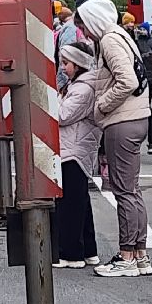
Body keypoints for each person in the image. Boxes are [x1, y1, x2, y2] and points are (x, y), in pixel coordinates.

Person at [76, 0, 152, 278]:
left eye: (83, 25)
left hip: (122, 121)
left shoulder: (109, 40)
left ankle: (126, 257)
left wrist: (101, 105)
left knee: (123, 191)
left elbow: (127, 81)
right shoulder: (121, 34)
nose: (83, 31)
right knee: (132, 190)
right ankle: (139, 255)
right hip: (137, 117)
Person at [53, 42, 103, 268]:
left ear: (79, 64)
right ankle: (88, 250)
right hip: (79, 148)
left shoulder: (83, 89)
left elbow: (62, 115)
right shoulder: (82, 84)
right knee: (80, 202)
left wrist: (51, 101)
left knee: (69, 205)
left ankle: (71, 254)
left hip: (73, 149)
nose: (63, 68)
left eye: (66, 63)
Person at [123, 13, 152, 156]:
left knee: (146, 113)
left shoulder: (125, 39)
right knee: (149, 114)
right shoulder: (150, 40)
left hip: (135, 81)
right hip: (144, 80)